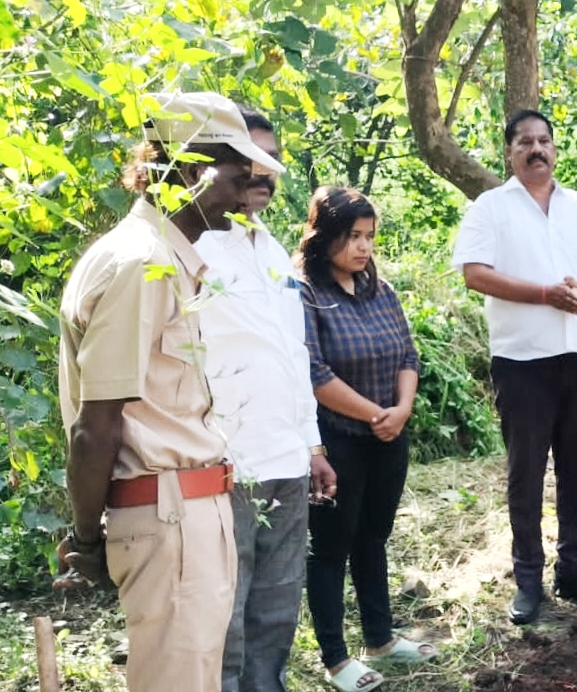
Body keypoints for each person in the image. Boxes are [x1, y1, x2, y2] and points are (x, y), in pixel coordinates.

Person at [55, 91, 286, 692]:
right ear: (188, 173)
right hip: (169, 517)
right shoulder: (141, 264)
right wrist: (86, 539)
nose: (245, 197)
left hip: (187, 513)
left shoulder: (164, 259)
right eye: (237, 179)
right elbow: (96, 423)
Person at [452, 110, 577, 625]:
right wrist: (545, 295)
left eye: (544, 141)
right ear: (509, 153)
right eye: (525, 142)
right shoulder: (490, 208)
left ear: (554, 149)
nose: (536, 149)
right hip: (523, 362)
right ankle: (527, 579)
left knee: (576, 468)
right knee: (526, 474)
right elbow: (475, 274)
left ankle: (574, 570)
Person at [194, 106, 337, 692]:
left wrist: (313, 445)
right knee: (224, 615)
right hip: (224, 466)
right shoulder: (190, 247)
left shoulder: (274, 251)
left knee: (276, 614)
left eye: (268, 159)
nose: (260, 171)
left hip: (285, 458)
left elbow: (294, 354)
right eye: (246, 158)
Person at [298, 187, 435, 691]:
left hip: (388, 436)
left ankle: (379, 637)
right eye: (352, 236)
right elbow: (312, 371)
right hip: (336, 440)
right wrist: (377, 413)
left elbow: (407, 355)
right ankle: (335, 658)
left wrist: (400, 411)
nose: (363, 247)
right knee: (331, 547)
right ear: (325, 235)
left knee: (373, 538)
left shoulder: (381, 290)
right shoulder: (306, 292)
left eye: (369, 237)